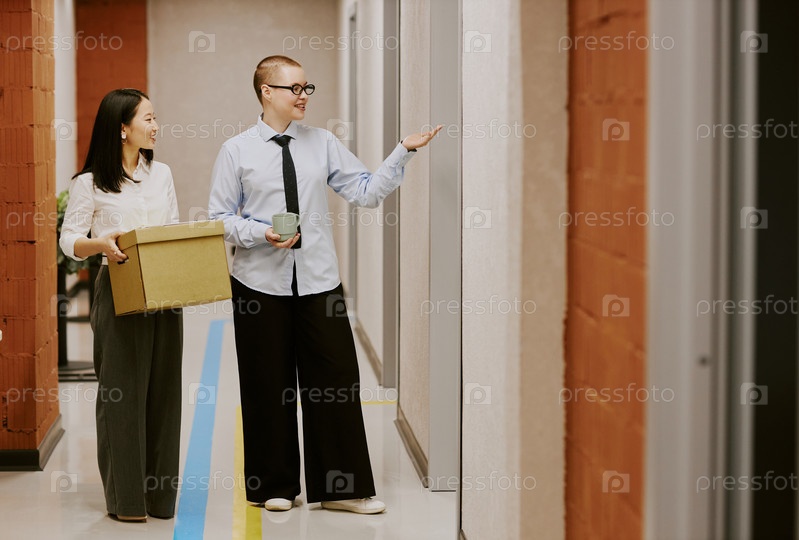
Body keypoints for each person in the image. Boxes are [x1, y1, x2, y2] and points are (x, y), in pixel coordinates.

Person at [208, 55, 441, 514]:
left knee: (335, 382)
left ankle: (342, 489)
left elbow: (366, 192)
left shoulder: (323, 143)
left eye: (306, 88)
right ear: (266, 92)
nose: (303, 96)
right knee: (266, 383)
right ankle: (273, 486)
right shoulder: (236, 150)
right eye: (293, 88)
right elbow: (219, 218)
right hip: (258, 284)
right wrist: (261, 233)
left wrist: (403, 151)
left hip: (318, 280)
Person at [59, 89, 182, 522]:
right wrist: (101, 244)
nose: (156, 126)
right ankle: (127, 501)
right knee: (122, 394)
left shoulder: (161, 174)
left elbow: (171, 227)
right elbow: (69, 240)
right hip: (118, 287)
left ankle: (160, 499)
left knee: (164, 393)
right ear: (122, 129)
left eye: (155, 117)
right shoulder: (89, 183)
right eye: (148, 118)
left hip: (165, 288)